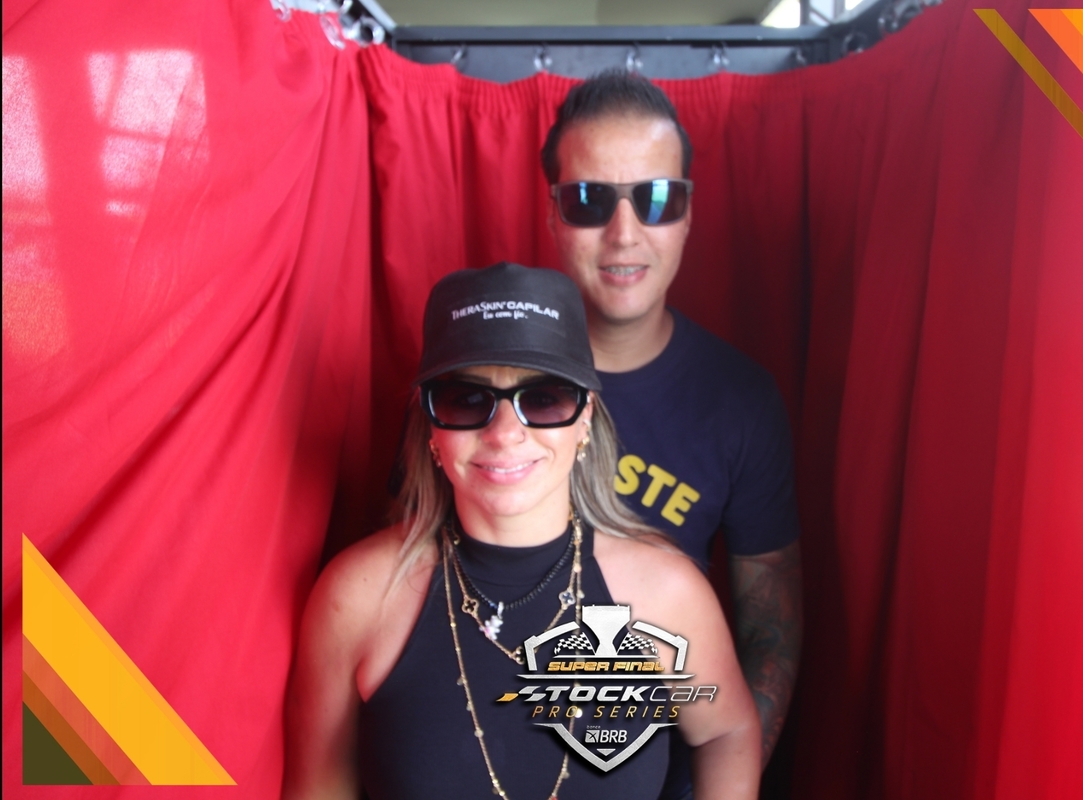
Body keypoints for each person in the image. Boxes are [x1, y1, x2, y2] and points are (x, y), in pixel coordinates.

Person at [283, 262, 760, 800]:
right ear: (431, 425)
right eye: (467, 398)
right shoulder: (356, 598)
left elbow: (726, 731)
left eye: (544, 397)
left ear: (585, 416)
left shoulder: (666, 595)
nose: (505, 433)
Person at [541, 71, 804, 792]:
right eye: (590, 201)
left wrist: (710, 782)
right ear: (554, 214)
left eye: (657, 200)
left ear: (687, 216)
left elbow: (770, 631)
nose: (624, 233)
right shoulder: (481, 385)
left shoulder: (742, 401)